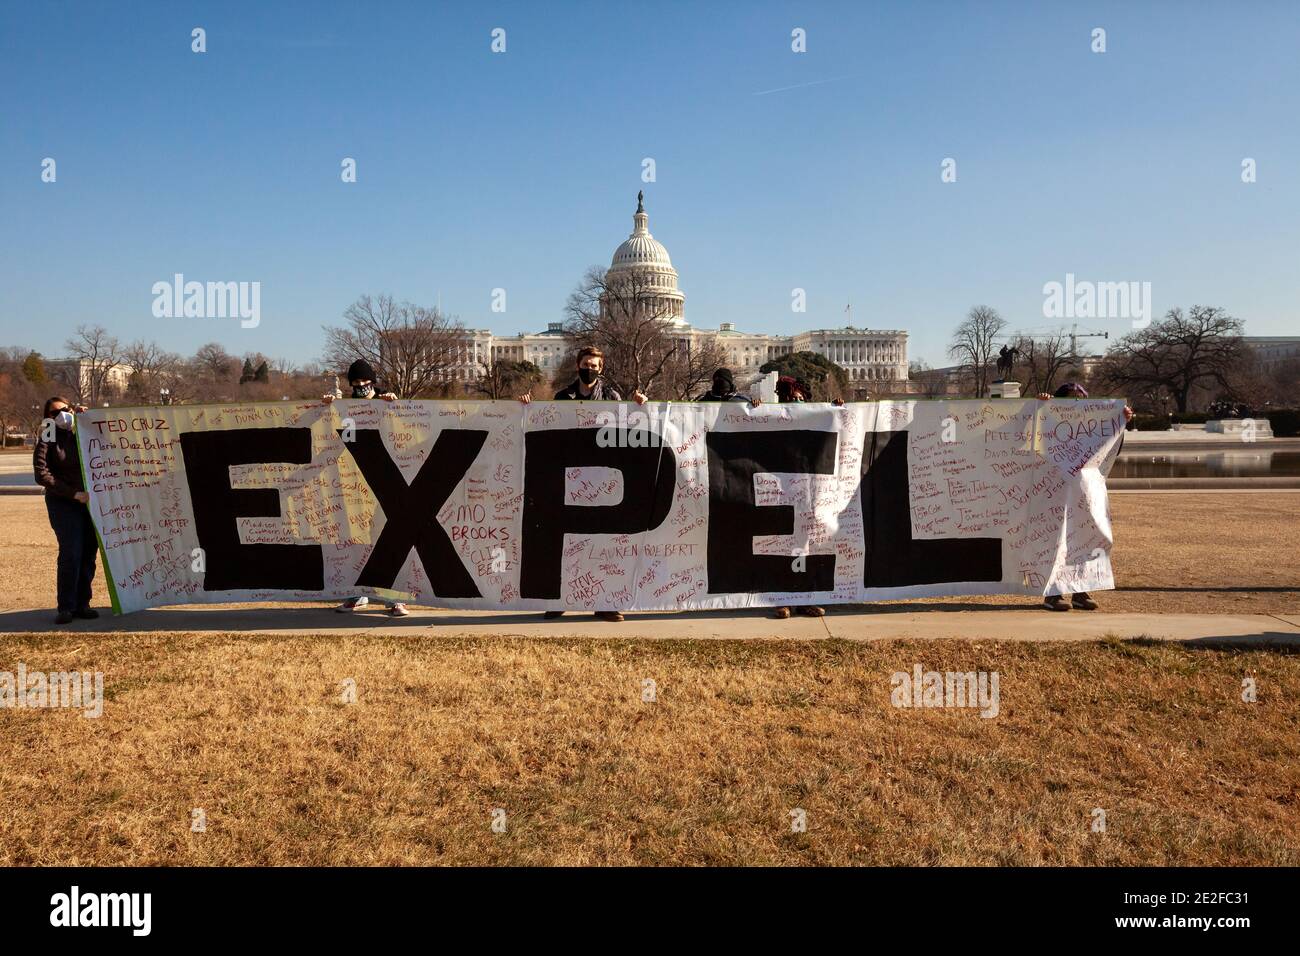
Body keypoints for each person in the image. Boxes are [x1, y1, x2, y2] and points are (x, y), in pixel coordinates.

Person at [520, 346, 646, 622]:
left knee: (602, 545)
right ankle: (559, 600)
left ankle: (605, 603)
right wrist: (527, 407)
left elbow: (625, 429)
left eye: (595, 365)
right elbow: (548, 425)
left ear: (601, 369)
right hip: (569, 477)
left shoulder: (612, 396)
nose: (590, 369)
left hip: (603, 477)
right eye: (586, 364)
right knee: (567, 545)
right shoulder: (563, 396)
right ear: (577, 366)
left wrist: (639, 405)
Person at [1035, 382, 1135, 612]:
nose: (1076, 405)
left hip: (1086, 492)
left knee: (1086, 541)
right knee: (1057, 543)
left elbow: (1110, 450)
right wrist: (1040, 408)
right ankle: (1053, 593)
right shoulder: (1049, 421)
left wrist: (1120, 421)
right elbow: (1031, 441)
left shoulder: (1091, 425)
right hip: (1055, 493)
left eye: (1081, 400)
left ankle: (1081, 592)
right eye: (1070, 400)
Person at [324, 360, 408, 617]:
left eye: (364, 382)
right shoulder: (347, 408)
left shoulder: (385, 401)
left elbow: (405, 429)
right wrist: (327, 407)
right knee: (356, 541)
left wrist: (393, 403)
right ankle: (357, 594)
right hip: (355, 483)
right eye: (356, 383)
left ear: (372, 381)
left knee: (390, 540)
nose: (360, 387)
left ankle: (393, 598)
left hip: (386, 480)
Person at [33, 396, 98, 624]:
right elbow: (41, 473)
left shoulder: (81, 427)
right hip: (63, 502)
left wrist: (88, 418)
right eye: (54, 412)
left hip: (90, 501)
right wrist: (72, 493)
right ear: (47, 417)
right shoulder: (48, 433)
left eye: (65, 409)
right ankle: (66, 607)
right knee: (71, 552)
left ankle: (83, 603)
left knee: (89, 552)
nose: (61, 414)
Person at [770, 376, 826, 619]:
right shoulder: (769, 416)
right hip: (779, 494)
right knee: (782, 549)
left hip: (807, 492)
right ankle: (783, 602)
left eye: (798, 398)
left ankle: (805, 601)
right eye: (788, 398)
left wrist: (838, 406)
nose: (793, 402)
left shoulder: (814, 417)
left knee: (806, 549)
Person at [695, 367, 760, 406]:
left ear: (729, 382)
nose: (719, 382)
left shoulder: (743, 400)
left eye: (722, 379)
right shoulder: (703, 399)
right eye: (716, 379)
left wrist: (757, 404)